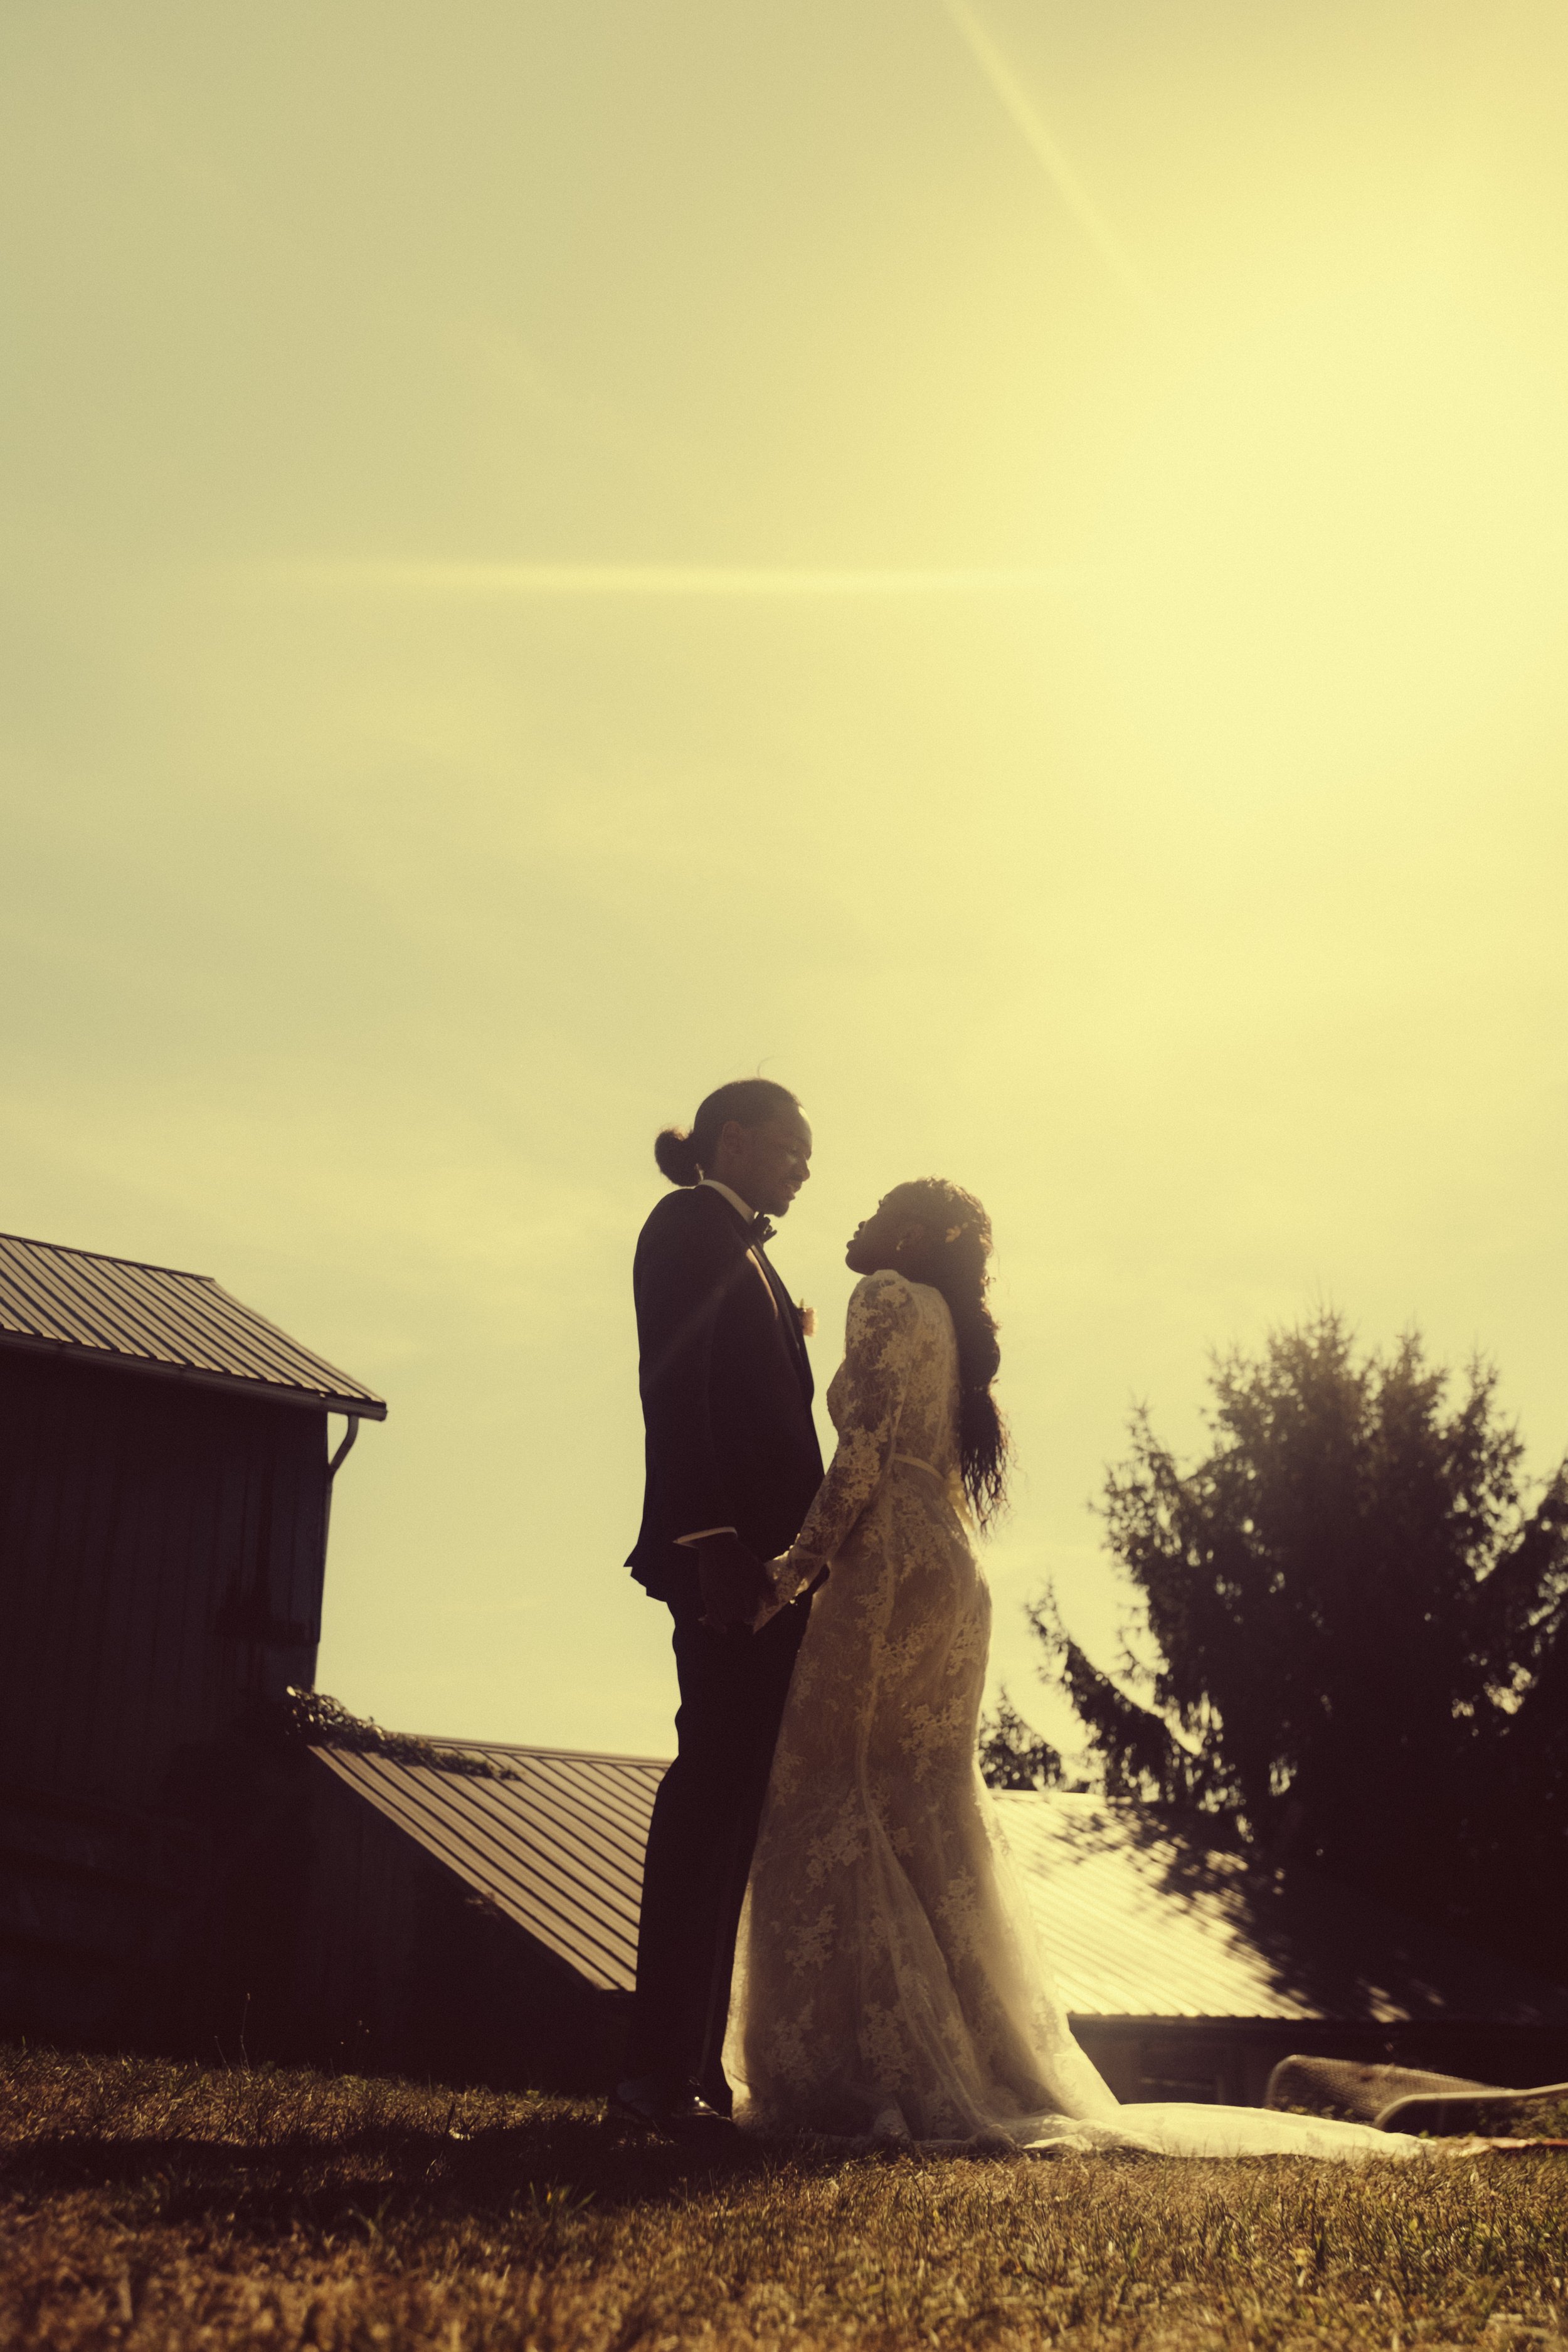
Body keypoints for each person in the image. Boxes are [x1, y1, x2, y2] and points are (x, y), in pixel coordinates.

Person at [724, 1180, 1433, 2161]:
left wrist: (790, 1572)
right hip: (952, 1569)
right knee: (922, 1803)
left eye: (878, 1209)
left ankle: (864, 2070)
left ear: (911, 1234)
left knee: (829, 1783)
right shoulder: (951, 1325)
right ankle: (959, 2060)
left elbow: (862, 1453)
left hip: (887, 1562)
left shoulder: (883, 1293)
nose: (856, 1221)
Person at [616, 1078, 823, 2132]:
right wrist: (713, 1545)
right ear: (733, 1139)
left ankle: (695, 2068)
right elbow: (674, 1383)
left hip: (770, 1571)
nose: (805, 1168)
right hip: (729, 1565)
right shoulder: (688, 1226)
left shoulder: (747, 1246)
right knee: (709, 1795)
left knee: (736, 1799)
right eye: (791, 1148)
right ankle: (658, 2070)